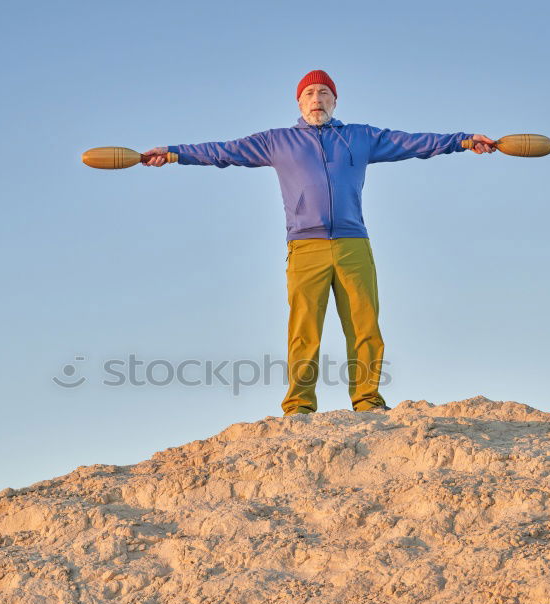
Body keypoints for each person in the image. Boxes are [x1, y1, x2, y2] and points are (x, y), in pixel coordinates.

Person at [143, 70, 496, 416]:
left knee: (364, 325)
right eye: (310, 94)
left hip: (353, 243)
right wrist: (173, 153)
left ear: (335, 100)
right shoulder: (276, 141)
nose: (317, 99)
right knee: (304, 330)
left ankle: (367, 399)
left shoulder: (360, 136)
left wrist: (463, 140)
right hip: (304, 246)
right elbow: (223, 151)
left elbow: (413, 143)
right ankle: (299, 405)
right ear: (299, 102)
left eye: (324, 93)